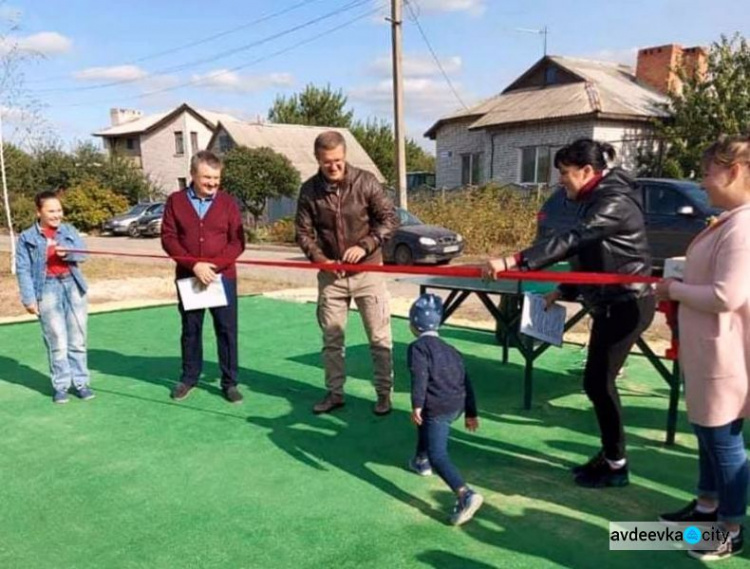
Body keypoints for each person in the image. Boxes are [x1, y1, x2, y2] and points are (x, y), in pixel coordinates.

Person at [483, 138, 655, 488]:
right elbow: (591, 253)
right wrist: (567, 289)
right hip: (608, 302)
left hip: (627, 303)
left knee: (598, 382)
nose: (560, 180)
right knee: (596, 382)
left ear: (587, 171)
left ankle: (616, 463)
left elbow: (578, 238)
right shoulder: (593, 197)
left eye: (565, 173)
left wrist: (515, 260)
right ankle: (612, 455)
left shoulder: (614, 201)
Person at [655, 134, 750, 561]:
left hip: (725, 355)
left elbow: (725, 296)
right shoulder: (732, 221)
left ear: (735, 172)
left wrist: (673, 288)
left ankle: (729, 528)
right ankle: (706, 507)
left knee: (723, 442)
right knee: (708, 435)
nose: (704, 182)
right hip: (711, 351)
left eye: (709, 173)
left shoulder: (744, 227)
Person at [295, 130, 398, 415]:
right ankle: (334, 393)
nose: (334, 166)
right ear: (317, 159)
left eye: (338, 160)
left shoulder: (366, 182)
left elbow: (389, 220)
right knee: (331, 341)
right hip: (332, 278)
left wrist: (366, 245)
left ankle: (383, 394)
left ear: (345, 155)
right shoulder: (309, 190)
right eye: (327, 161)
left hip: (368, 273)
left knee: (379, 338)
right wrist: (319, 259)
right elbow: (303, 233)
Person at [161, 150, 246, 404]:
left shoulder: (228, 203)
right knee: (191, 329)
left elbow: (237, 242)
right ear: (193, 175)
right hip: (189, 278)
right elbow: (168, 238)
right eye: (207, 177)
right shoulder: (175, 201)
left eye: (216, 178)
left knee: (227, 330)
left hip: (223, 278)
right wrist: (194, 265)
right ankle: (188, 378)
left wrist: (213, 266)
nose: (212, 183)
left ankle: (230, 382)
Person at [407, 293, 483, 525]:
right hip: (457, 404)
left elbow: (420, 377)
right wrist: (471, 412)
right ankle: (421, 460)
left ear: (414, 325)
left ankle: (465, 494)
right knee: (425, 424)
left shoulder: (418, 348)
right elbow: (466, 380)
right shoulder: (452, 350)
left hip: (438, 407)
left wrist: (417, 405)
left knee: (438, 454)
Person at [16, 190, 93, 404]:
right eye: (51, 211)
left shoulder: (68, 230)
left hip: (72, 286)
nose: (57, 215)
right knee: (57, 340)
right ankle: (61, 386)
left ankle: (81, 383)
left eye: (59, 210)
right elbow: (23, 268)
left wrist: (68, 253)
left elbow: (83, 254)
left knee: (78, 338)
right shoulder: (27, 237)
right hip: (46, 289)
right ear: (38, 212)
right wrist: (29, 298)